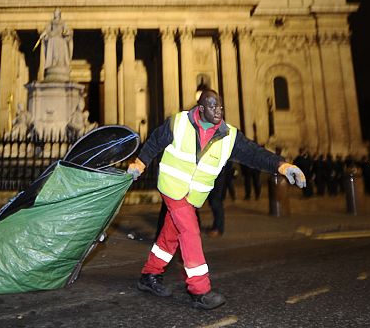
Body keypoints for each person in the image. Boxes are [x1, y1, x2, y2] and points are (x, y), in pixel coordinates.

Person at [127, 88, 306, 310]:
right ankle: (199, 290)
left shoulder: (228, 135)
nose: (218, 110)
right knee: (190, 231)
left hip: (193, 195)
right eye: (213, 106)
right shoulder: (179, 122)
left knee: (170, 235)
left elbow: (255, 153)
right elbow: (154, 141)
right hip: (172, 187)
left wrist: (283, 166)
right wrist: (140, 163)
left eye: (220, 106)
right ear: (201, 108)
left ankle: (149, 275)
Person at [38, 9, 73, 77]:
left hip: (60, 39)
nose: (55, 14)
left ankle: (60, 63)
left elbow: (67, 30)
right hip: (53, 40)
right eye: (54, 13)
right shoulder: (51, 22)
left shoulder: (63, 23)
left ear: (59, 14)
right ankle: (53, 63)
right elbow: (47, 30)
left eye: (56, 13)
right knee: (53, 53)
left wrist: (66, 33)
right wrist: (43, 35)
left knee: (60, 53)